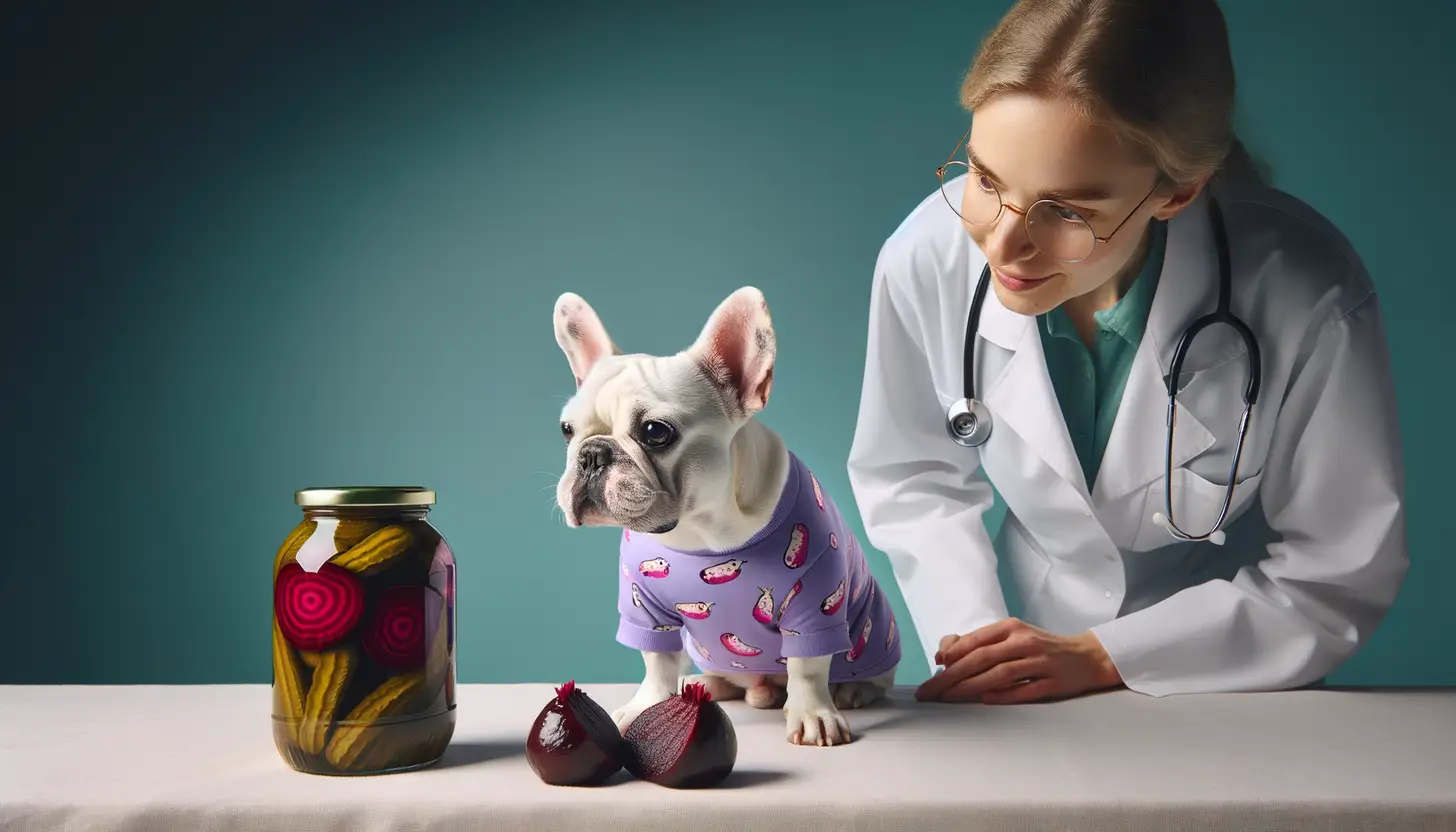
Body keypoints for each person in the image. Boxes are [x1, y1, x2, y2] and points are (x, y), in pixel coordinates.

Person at [845, 0, 1409, 705]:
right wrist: (980, 649)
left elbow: (1336, 570)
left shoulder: (1305, 290)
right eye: (986, 180)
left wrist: (1108, 656)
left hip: (1231, 682)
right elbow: (913, 478)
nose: (1002, 244)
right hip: (1022, 694)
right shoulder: (926, 256)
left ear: (1177, 191)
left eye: (1068, 212)